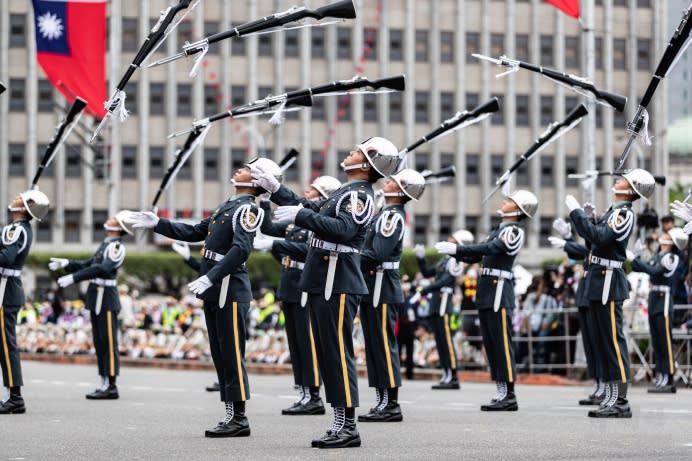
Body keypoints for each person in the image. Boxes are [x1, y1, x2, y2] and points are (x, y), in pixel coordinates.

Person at [252, 136, 400, 449]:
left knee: (336, 354)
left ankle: (348, 426)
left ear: (367, 162)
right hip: (324, 278)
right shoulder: (347, 191)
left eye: (357, 151)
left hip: (338, 279)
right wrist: (278, 193)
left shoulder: (361, 195)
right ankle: (338, 422)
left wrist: (300, 216)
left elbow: (344, 230)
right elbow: (311, 207)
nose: (350, 152)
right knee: (327, 354)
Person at [127, 157, 281, 437]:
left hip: (229, 288)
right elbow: (196, 231)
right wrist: (158, 224)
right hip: (216, 288)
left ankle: (239, 418)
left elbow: (240, 250)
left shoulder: (248, 209)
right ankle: (230, 414)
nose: (239, 169)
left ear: (257, 179)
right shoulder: (229, 205)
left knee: (232, 353)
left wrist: (212, 276)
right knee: (220, 353)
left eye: (247, 169)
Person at [436, 189, 538, 411]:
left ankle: (509, 395)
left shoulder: (513, 231)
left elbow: (493, 248)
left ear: (519, 209)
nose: (505, 201)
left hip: (499, 292)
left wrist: (458, 248)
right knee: (491, 345)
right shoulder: (498, 230)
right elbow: (476, 255)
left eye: (510, 200)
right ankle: (501, 391)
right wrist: (455, 253)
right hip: (487, 292)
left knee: (501, 344)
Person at [566, 168, 656, 418]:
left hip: (607, 280)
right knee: (602, 341)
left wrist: (576, 214)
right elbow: (594, 241)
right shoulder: (614, 212)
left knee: (613, 342)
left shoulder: (624, 214)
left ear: (630, 189)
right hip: (598, 278)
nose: (618, 180)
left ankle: (621, 401)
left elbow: (599, 236)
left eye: (623, 179)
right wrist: (590, 219)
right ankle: (610, 396)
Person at [254, 175, 341, 416]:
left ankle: (314, 395)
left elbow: (306, 250)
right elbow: (269, 229)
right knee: (295, 342)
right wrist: (264, 202)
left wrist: (275, 245)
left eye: (312, 190)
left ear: (322, 195)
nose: (307, 191)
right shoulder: (296, 220)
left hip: (304, 282)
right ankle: (303, 392)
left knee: (307, 342)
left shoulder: (317, 221)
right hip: (289, 282)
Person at [358, 169, 426, 423]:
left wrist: (349, 259)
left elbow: (377, 253)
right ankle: (381, 401)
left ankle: (391, 404)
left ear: (399, 191)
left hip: (381, 286)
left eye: (393, 182)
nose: (386, 183)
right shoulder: (383, 213)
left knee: (384, 346)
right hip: (373, 285)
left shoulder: (392, 217)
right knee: (375, 347)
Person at [49, 211, 133, 400]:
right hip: (96, 295)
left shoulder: (117, 246)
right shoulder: (106, 244)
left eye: (114, 219)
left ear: (118, 227)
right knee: (99, 341)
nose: (109, 219)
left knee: (109, 342)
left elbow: (102, 268)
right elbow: (90, 263)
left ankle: (111, 385)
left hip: (107, 297)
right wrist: (68, 263)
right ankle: (103, 380)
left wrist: (74, 278)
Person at [0, 190, 50, 414]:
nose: (15, 197)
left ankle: (15, 397)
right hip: (6, 289)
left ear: (24, 208)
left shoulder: (18, 230)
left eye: (21, 198)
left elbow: (6, 257)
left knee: (6, 344)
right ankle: (14, 395)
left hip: (6, 290)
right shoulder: (16, 229)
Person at [549, 210, 605, 406]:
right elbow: (579, 250)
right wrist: (567, 237)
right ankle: (598, 384)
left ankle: (605, 386)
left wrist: (567, 239)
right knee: (590, 345)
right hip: (584, 295)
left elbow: (584, 250)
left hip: (594, 296)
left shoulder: (601, 246)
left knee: (598, 344)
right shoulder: (592, 248)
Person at [630, 227, 688, 393]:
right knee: (656, 341)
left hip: (664, 298)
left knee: (665, 341)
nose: (661, 237)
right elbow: (638, 267)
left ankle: (668, 376)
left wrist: (639, 260)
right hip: (654, 297)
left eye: (666, 236)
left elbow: (653, 270)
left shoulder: (671, 257)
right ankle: (660, 375)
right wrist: (636, 256)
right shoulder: (657, 256)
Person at [413, 229, 472, 390]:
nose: (449, 239)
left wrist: (426, 289)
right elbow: (427, 273)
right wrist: (421, 258)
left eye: (452, 238)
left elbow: (445, 281)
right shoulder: (446, 259)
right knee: (440, 341)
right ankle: (445, 373)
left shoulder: (456, 260)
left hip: (444, 302)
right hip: (436, 302)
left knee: (446, 341)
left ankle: (453, 375)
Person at [170, 241, 219, 393]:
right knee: (217, 345)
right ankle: (223, 379)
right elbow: (203, 269)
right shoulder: (212, 261)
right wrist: (188, 257)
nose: (203, 251)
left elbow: (212, 271)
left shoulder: (223, 258)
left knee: (226, 345)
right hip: (213, 302)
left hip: (225, 302)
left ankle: (231, 381)